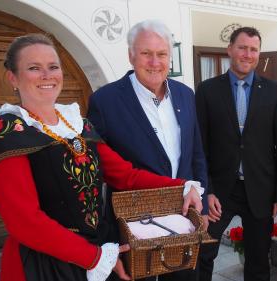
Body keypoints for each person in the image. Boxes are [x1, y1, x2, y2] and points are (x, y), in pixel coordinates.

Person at [0, 33, 203, 281]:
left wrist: (183, 186)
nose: (47, 75)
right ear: (13, 77)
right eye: (34, 68)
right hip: (45, 263)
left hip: (100, 251)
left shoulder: (77, 124)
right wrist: (94, 258)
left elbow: (125, 176)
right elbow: (25, 222)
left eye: (53, 67)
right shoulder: (6, 132)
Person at [86, 20, 208, 281]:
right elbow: (100, 166)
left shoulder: (185, 94)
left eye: (162, 54)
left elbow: (196, 152)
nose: (155, 62)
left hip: (182, 222)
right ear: (131, 55)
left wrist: (202, 203)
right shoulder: (105, 100)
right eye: (146, 53)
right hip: (133, 229)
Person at [194, 26, 277, 281]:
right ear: (230, 50)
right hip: (220, 192)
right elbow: (199, 146)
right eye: (242, 47)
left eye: (253, 49)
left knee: (259, 261)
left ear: (259, 54)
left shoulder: (274, 91)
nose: (247, 54)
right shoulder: (207, 90)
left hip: (260, 189)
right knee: (202, 255)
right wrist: (207, 191)